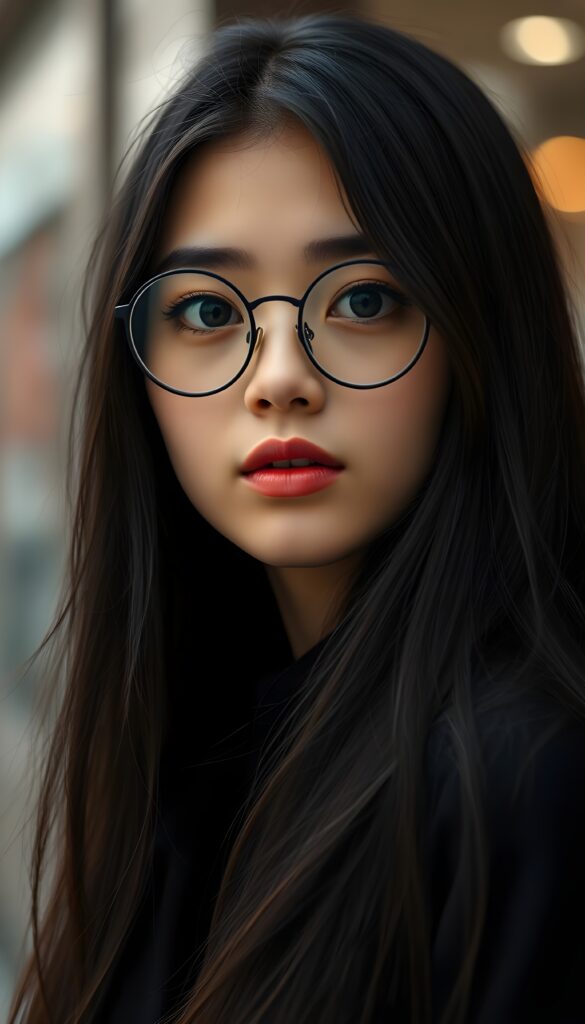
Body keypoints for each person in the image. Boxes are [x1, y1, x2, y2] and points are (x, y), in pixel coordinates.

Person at [7, 11, 585, 1024]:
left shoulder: (522, 779)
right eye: (208, 311)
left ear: (483, 330)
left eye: (365, 300)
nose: (280, 379)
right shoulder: (194, 742)